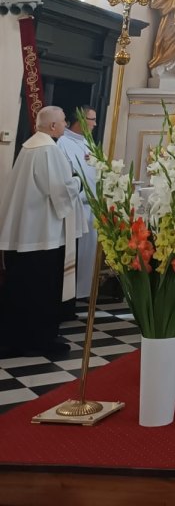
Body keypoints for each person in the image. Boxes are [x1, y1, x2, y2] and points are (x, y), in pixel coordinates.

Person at [0, 106, 84, 357]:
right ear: (53, 126)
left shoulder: (28, 147)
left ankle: (14, 339)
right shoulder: (49, 150)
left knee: (20, 289)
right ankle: (39, 341)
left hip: (24, 234)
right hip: (43, 236)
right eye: (63, 121)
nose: (66, 124)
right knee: (41, 291)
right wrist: (78, 181)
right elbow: (60, 191)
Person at [57, 105, 98, 302]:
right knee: (75, 254)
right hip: (76, 206)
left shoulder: (89, 143)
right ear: (81, 120)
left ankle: (84, 292)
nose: (95, 124)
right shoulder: (62, 143)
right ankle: (70, 295)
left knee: (89, 254)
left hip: (92, 206)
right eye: (92, 119)